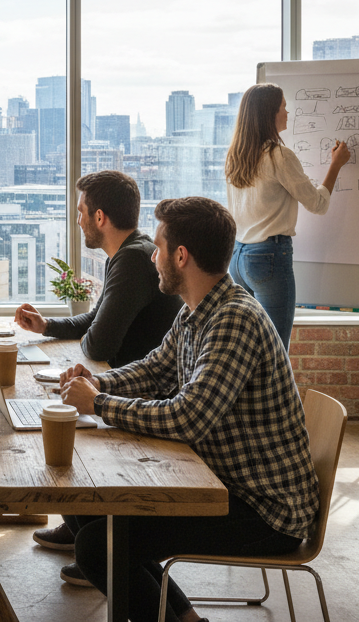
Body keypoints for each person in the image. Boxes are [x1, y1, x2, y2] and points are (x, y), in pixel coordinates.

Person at [56, 196, 319, 622]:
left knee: (97, 546)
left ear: (181, 256)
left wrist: (100, 403)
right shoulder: (199, 310)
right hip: (223, 483)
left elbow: (187, 417)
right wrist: (97, 382)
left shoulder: (234, 319)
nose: (153, 258)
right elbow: (155, 369)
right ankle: (186, 617)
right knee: (87, 506)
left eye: (158, 248)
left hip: (263, 510)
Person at [15, 170, 183, 554]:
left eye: (80, 212)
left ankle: (94, 536)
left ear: (100, 217)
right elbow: (96, 321)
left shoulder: (133, 261)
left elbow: (99, 341)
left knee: (62, 420)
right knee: (62, 408)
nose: (77, 221)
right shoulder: (126, 254)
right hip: (130, 381)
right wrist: (47, 325)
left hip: (146, 393)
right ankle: (84, 527)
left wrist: (89, 338)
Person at [224, 83, 350, 349]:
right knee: (276, 350)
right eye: (283, 107)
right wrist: (335, 165)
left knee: (250, 347)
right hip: (268, 257)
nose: (288, 112)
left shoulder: (235, 156)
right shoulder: (279, 155)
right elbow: (317, 203)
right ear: (269, 113)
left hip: (238, 258)